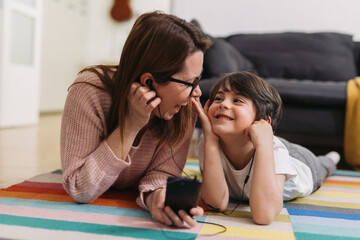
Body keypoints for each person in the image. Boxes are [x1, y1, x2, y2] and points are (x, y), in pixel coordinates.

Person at [60, 11, 211, 227]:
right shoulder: (88, 91)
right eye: (188, 83)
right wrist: (130, 125)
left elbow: (162, 173)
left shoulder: (184, 107)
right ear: (148, 82)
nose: (196, 93)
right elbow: (79, 188)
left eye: (198, 80)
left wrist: (156, 197)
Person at [192, 71, 340, 225]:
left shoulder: (275, 151)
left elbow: (264, 216)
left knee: (324, 165)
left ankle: (331, 158)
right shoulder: (209, 141)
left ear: (262, 120)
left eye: (237, 100)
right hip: (262, 142)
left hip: (302, 163)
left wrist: (264, 145)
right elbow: (216, 203)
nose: (223, 104)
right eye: (218, 98)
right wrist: (210, 139)